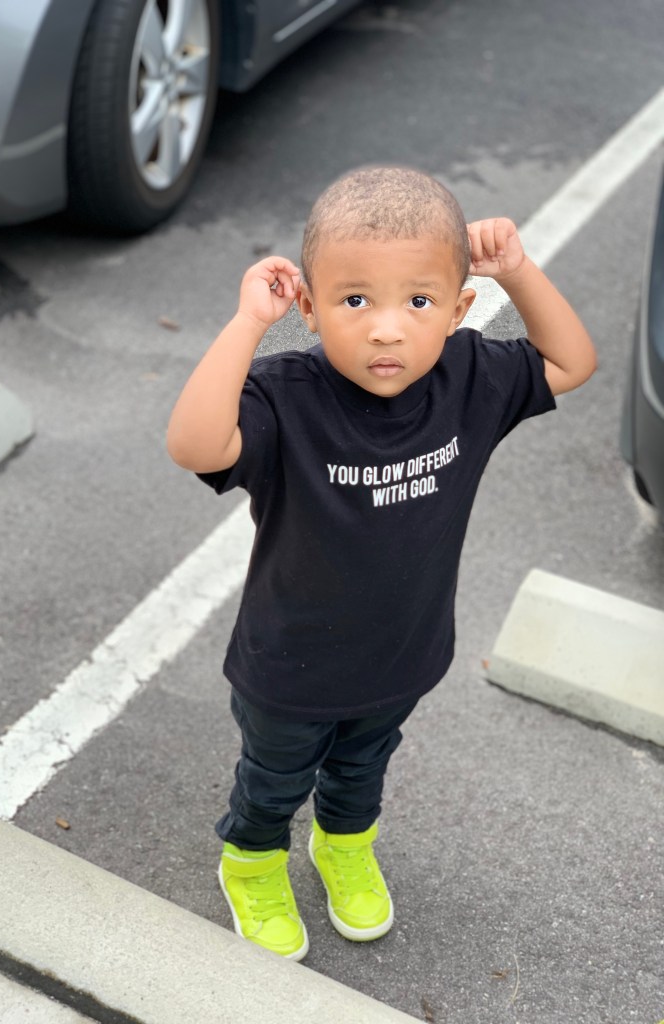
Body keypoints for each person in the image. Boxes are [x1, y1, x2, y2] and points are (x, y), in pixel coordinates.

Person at [166, 165, 596, 962]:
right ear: (309, 307)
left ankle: (344, 845)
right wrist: (247, 326)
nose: (387, 330)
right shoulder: (285, 397)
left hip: (402, 654)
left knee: (363, 766)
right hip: (289, 667)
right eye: (355, 300)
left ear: (459, 310)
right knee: (274, 778)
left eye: (419, 302)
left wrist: (518, 271)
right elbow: (195, 445)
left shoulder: (471, 378)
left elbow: (571, 362)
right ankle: (252, 860)